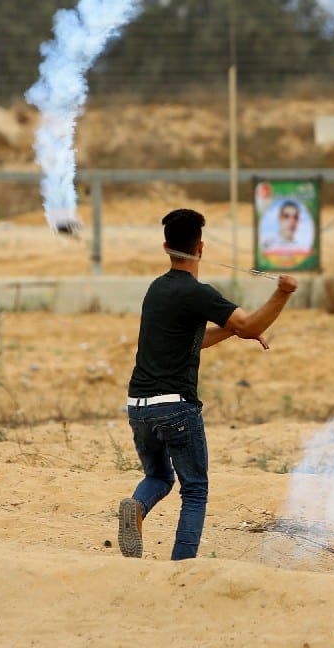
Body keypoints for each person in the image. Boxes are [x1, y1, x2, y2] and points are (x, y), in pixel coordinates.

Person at [118, 208, 298, 560]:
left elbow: (194, 340)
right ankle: (182, 567)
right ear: (200, 247)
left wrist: (231, 331)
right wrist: (282, 294)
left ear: (166, 246)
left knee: (159, 477)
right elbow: (248, 324)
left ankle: (137, 508)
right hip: (176, 407)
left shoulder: (156, 290)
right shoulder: (197, 293)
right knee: (195, 489)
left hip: (139, 406)